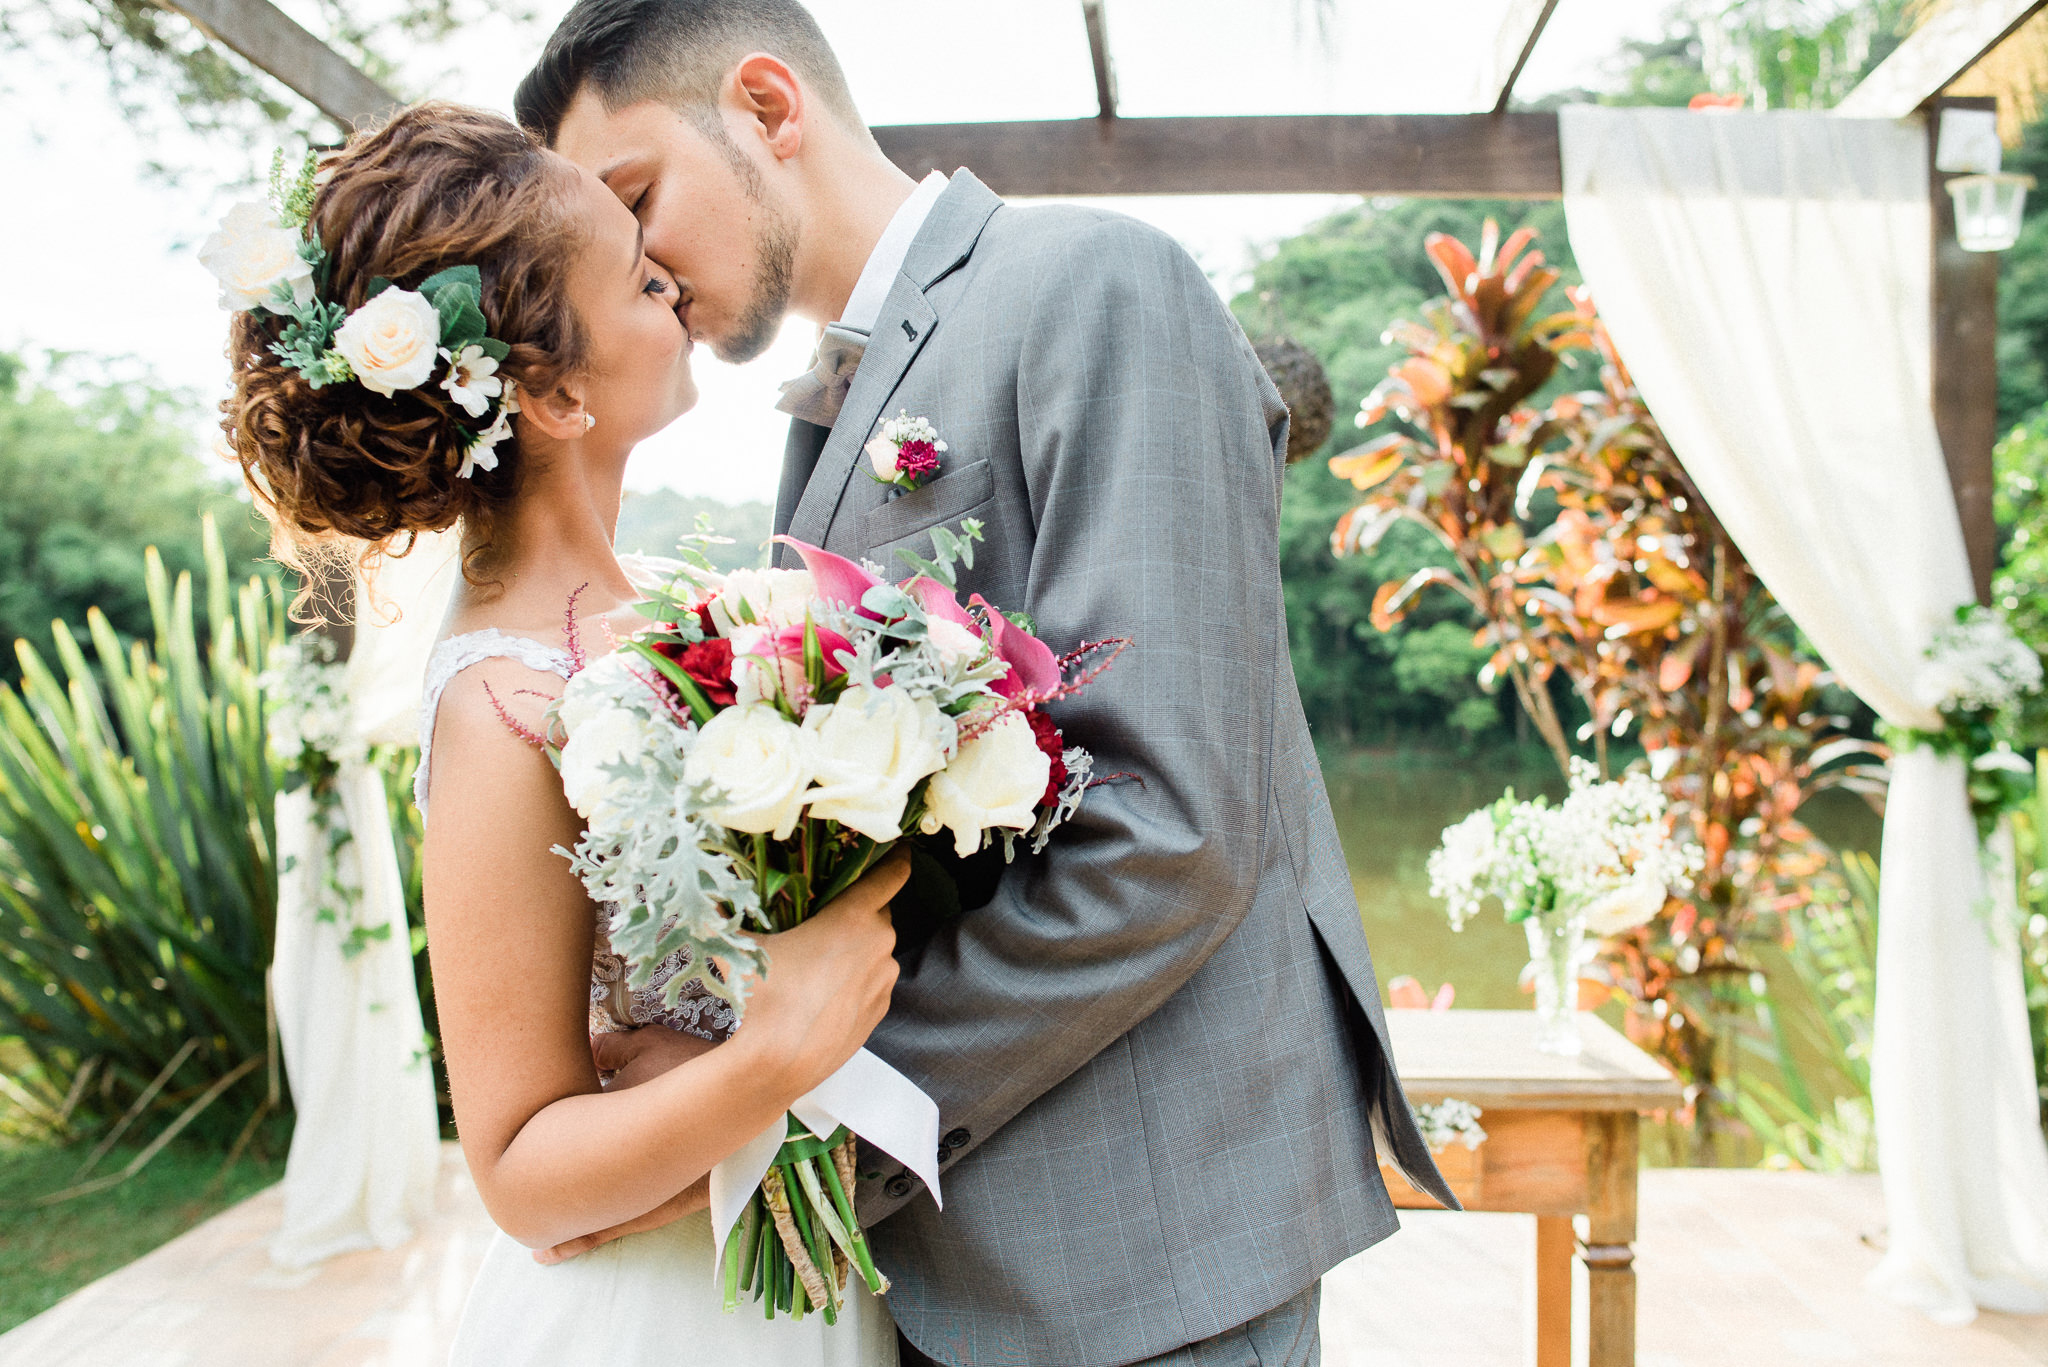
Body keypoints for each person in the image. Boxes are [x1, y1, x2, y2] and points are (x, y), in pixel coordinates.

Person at [513, 4, 1456, 1366]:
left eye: (637, 195)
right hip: (947, 1261)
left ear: (768, 108)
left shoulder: (1097, 283)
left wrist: (800, 1100)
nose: (635, 260)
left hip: (1144, 1257)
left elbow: (1171, 828)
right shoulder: (831, 403)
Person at [219, 101, 908, 1365]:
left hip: (783, 1269)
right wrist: (774, 1055)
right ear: (550, 392)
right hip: (667, 1319)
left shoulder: (677, 617)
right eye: (641, 280)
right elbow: (520, 1169)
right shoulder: (500, 699)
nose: (677, 289)